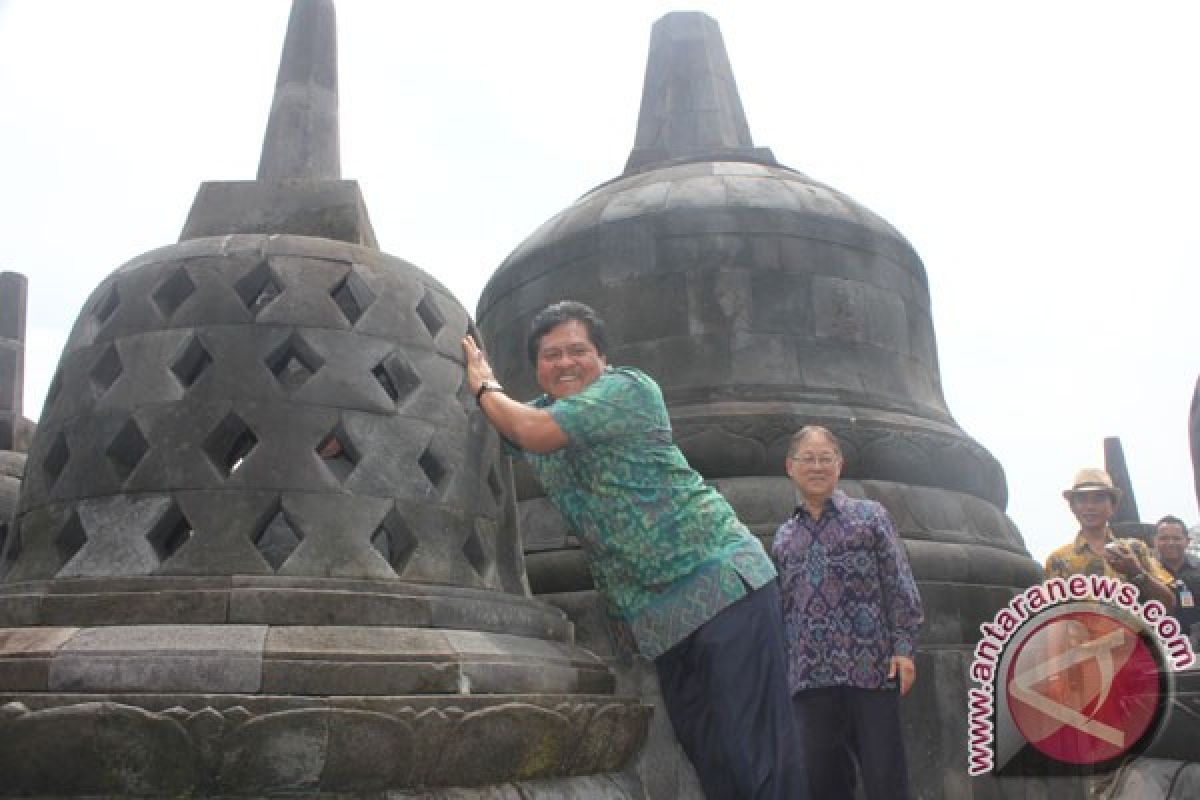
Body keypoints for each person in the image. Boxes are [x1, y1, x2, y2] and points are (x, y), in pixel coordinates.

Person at [461, 301, 807, 800]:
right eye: (550, 355)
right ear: (536, 368)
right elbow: (495, 424)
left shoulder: (627, 390)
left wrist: (483, 383)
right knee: (713, 756)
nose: (565, 363)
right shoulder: (541, 412)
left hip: (724, 588)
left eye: (577, 350)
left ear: (602, 357)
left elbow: (526, 430)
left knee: (758, 755)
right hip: (663, 620)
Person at [770, 425, 923, 800]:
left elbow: (899, 582)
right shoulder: (783, 538)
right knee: (823, 785)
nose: (817, 467)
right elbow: (783, 609)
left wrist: (904, 648)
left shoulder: (870, 518)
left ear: (840, 465)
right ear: (790, 466)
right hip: (810, 679)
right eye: (808, 459)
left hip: (871, 670)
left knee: (886, 780)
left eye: (826, 458)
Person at [1044, 468, 1175, 610]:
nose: (1090, 506)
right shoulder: (1058, 560)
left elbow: (1169, 603)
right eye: (1082, 500)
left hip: (1133, 631)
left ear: (1113, 506)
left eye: (1098, 499)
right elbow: (1054, 616)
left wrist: (1135, 572)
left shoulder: (1135, 549)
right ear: (1073, 507)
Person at [1154, 515, 1200, 638]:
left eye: (1176, 538)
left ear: (1187, 541)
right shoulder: (1147, 571)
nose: (1170, 543)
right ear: (1155, 541)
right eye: (1164, 538)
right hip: (1164, 641)